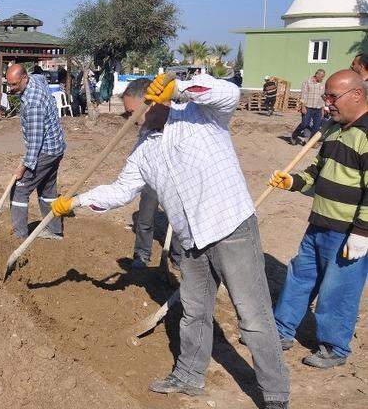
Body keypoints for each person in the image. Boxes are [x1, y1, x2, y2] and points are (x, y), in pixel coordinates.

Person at [51, 74, 290, 408]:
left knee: (253, 318)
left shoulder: (200, 115)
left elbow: (230, 93)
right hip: (191, 239)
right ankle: (190, 376)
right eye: (129, 115)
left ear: (156, 102)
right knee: (193, 313)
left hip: (230, 227)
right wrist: (74, 202)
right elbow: (121, 190)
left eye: (136, 113)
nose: (133, 121)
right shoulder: (143, 150)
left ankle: (275, 394)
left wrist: (179, 87)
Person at [268, 69, 368, 370]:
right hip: (319, 223)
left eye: (332, 97)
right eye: (325, 97)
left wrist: (362, 232)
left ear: (357, 94)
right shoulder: (333, 129)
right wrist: (293, 182)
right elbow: (316, 172)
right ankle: (281, 330)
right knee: (299, 277)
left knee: (338, 289)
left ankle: (334, 347)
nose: (327, 105)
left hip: (348, 232)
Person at [119, 78, 180, 269]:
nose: (132, 120)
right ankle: (142, 255)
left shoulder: (182, 122)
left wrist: (179, 88)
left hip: (178, 181)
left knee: (178, 222)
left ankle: (178, 258)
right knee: (145, 217)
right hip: (152, 178)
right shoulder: (146, 131)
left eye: (131, 113)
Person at [5, 64, 66, 240]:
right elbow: (38, 75)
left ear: (24, 79)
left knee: (19, 189)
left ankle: (20, 236)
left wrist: (23, 166)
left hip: (46, 151)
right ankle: (54, 231)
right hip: (56, 147)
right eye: (9, 84)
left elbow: (35, 142)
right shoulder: (37, 79)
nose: (12, 88)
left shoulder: (33, 103)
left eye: (15, 84)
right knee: (47, 191)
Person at [290, 69, 325, 145]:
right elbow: (303, 95)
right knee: (304, 124)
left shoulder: (322, 85)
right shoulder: (307, 82)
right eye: (321, 77)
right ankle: (294, 136)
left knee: (317, 127)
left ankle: (310, 142)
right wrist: (303, 106)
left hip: (318, 109)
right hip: (308, 108)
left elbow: (322, 98)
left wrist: (322, 109)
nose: (322, 79)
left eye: (323, 77)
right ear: (317, 75)